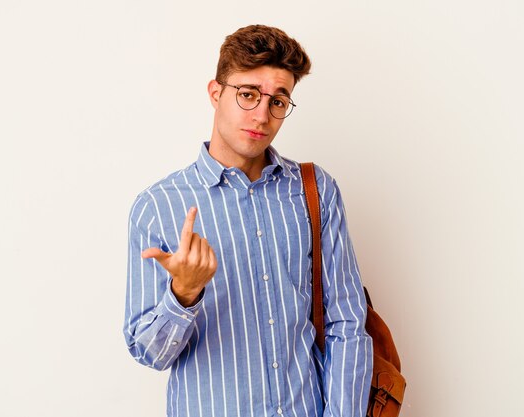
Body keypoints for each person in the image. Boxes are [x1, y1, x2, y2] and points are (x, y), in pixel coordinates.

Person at [124, 24, 373, 417]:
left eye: (278, 101)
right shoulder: (157, 206)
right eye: (247, 95)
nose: (262, 115)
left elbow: (347, 324)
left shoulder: (314, 190)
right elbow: (148, 353)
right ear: (215, 93)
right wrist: (183, 295)